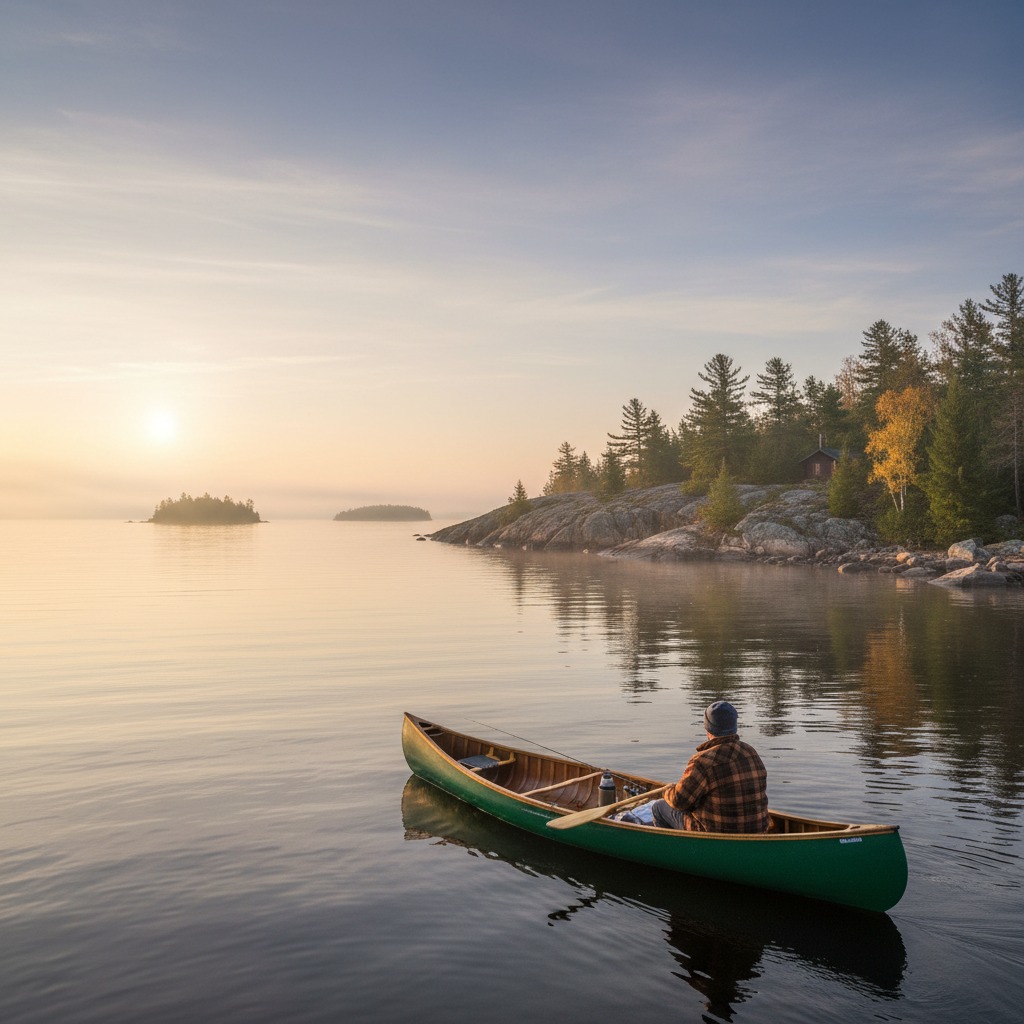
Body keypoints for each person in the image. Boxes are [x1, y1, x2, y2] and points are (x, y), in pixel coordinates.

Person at [651, 700, 769, 833]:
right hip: (757, 831)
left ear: (707, 729)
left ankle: (676, 850)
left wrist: (667, 790)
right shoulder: (751, 752)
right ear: (735, 726)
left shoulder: (702, 761)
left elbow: (679, 802)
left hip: (716, 835)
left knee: (658, 808)